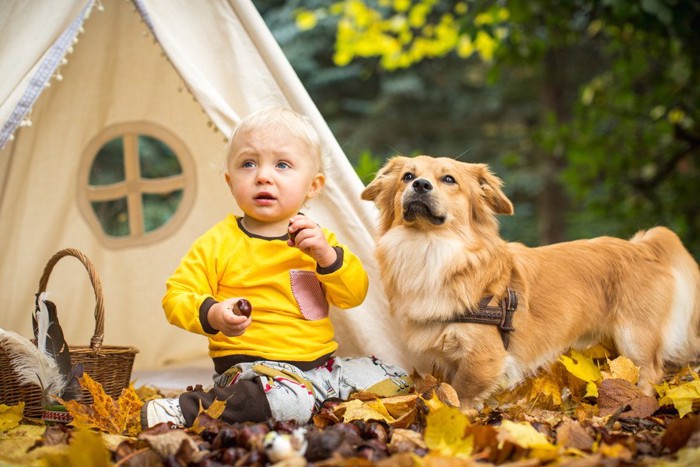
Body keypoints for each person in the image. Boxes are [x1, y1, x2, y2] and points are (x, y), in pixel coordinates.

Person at [141, 107, 412, 428]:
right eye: (248, 164)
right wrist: (213, 313)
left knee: (394, 378)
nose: (263, 175)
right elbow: (176, 297)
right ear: (230, 181)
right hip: (252, 371)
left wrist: (328, 257)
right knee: (286, 399)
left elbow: (353, 295)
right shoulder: (218, 242)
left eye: (282, 165)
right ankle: (183, 409)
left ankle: (311, 403)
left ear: (313, 186)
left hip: (321, 369)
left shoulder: (318, 239)